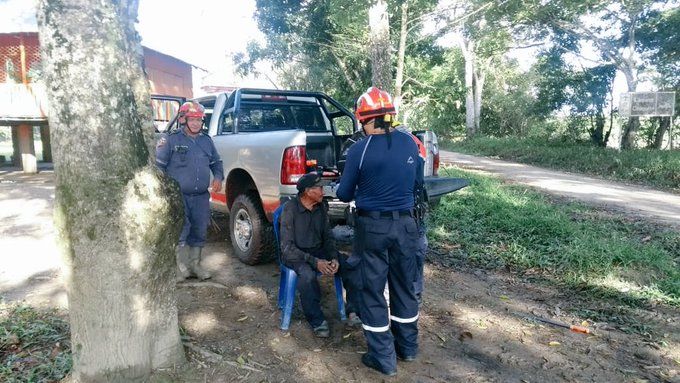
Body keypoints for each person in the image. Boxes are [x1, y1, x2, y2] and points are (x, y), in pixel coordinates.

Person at [336, 87, 423, 376]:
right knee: (404, 286)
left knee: (372, 289)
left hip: (373, 227)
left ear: (363, 118)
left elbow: (346, 194)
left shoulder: (360, 150)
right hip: (407, 225)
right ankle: (407, 348)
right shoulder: (411, 143)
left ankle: (383, 358)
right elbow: (416, 183)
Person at [279, 172, 362, 338]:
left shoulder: (321, 207)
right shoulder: (290, 209)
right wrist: (315, 262)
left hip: (318, 250)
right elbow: (287, 247)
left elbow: (328, 237)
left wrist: (333, 257)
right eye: (320, 188)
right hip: (296, 254)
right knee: (307, 276)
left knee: (351, 265)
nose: (323, 192)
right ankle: (316, 320)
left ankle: (353, 310)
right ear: (308, 191)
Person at [156, 101, 224, 281]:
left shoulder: (206, 141)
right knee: (180, 230)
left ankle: (195, 265)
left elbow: (216, 163)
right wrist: (162, 193)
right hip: (178, 196)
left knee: (199, 230)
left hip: (201, 197)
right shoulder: (170, 140)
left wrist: (218, 177)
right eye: (192, 119)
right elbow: (159, 168)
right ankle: (178, 267)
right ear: (183, 120)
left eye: (199, 120)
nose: (196, 123)